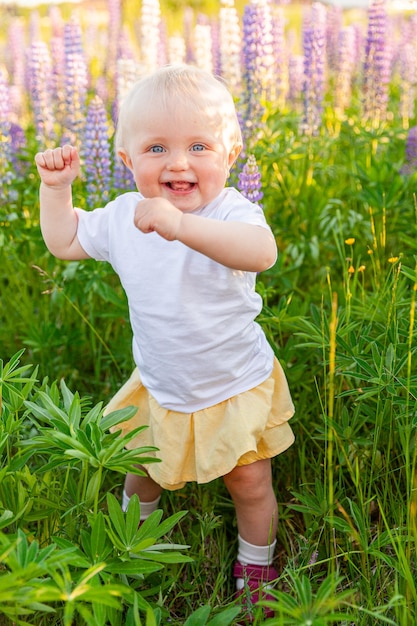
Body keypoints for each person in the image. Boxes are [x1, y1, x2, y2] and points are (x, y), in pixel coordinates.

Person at [34, 64, 295, 620]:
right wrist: (57, 191)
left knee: (249, 480)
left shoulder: (230, 211)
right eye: (157, 148)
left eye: (199, 145)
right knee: (142, 467)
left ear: (230, 153)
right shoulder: (125, 216)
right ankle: (133, 544)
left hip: (233, 382)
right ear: (127, 162)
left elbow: (261, 253)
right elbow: (66, 241)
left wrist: (181, 226)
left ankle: (257, 564)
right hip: (161, 382)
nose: (179, 162)